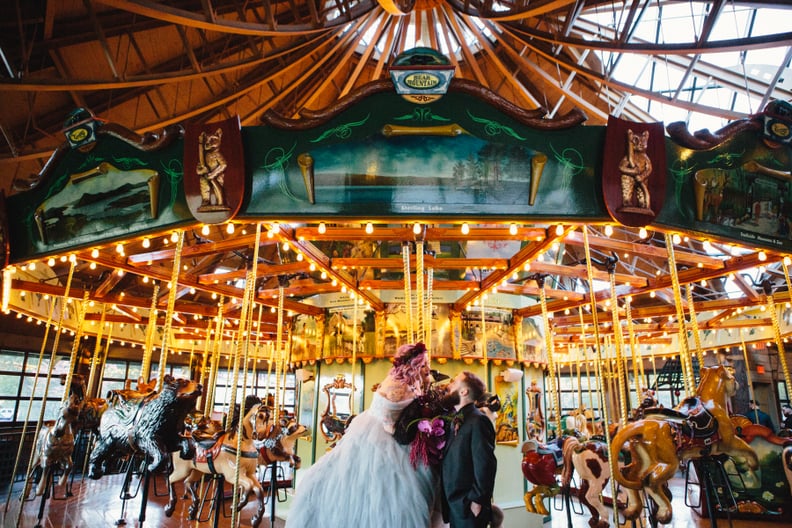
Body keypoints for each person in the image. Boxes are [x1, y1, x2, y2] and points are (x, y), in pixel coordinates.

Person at [285, 342, 438, 528]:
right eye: (424, 365)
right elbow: (390, 425)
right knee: (386, 487)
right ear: (413, 365)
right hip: (383, 435)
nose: (428, 368)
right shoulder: (398, 388)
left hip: (372, 428)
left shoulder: (407, 381)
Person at [440, 372, 497, 528]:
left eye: (454, 382)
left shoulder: (478, 420)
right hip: (455, 505)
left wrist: (477, 500)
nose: (449, 386)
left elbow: (486, 463)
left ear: (464, 391)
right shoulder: (455, 419)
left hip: (469, 507)